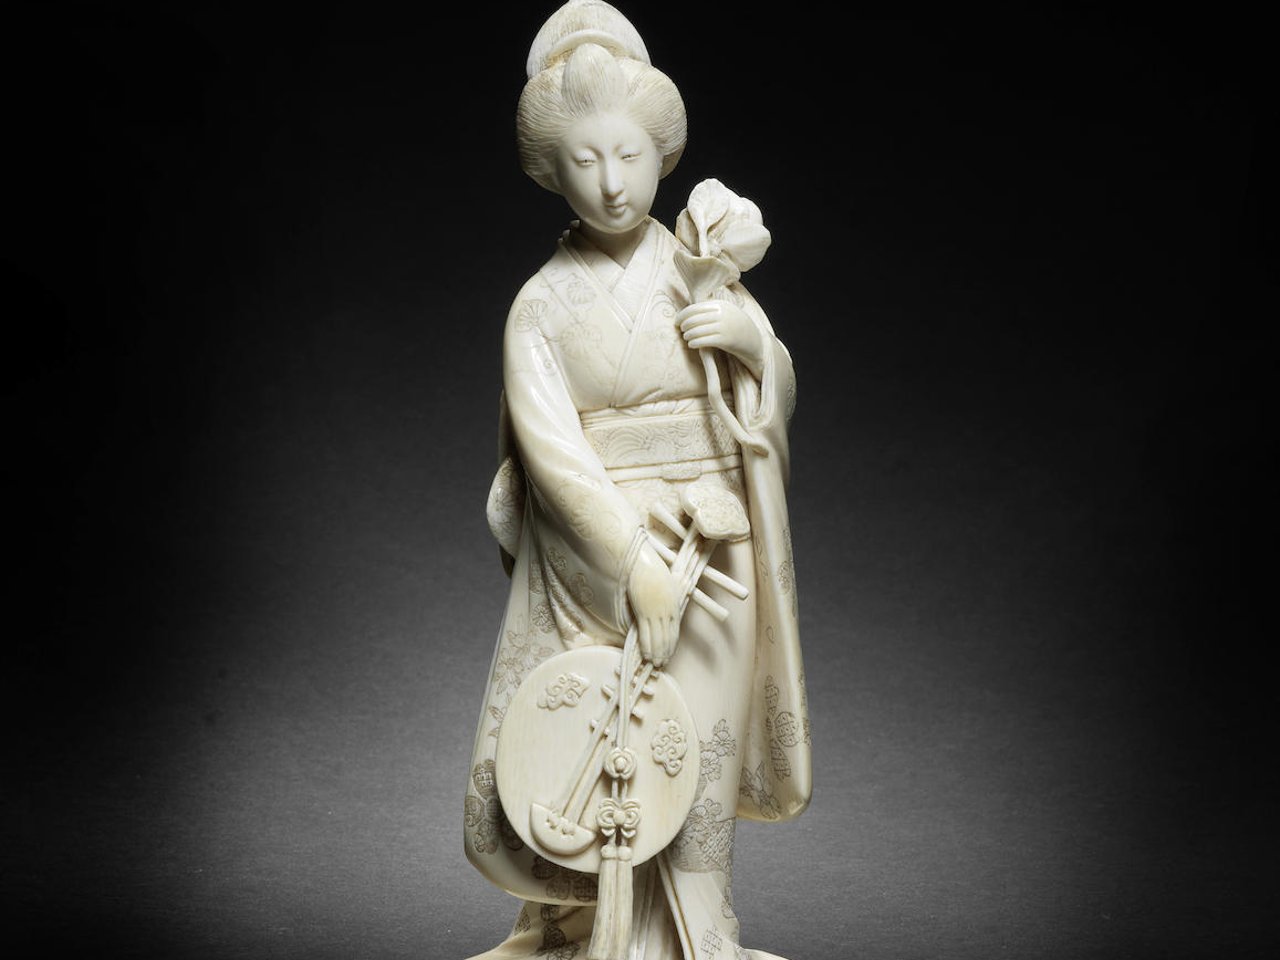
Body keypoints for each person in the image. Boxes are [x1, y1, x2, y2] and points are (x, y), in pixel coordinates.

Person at [463, 4, 810, 957]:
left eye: (628, 155)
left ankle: (700, 934)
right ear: (551, 169)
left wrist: (751, 345)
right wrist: (632, 564)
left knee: (695, 741)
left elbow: (768, 393)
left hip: (712, 543)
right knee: (596, 734)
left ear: (661, 153)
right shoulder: (539, 307)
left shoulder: (697, 272)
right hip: (598, 559)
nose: (612, 182)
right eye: (585, 160)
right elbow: (555, 459)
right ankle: (584, 924)